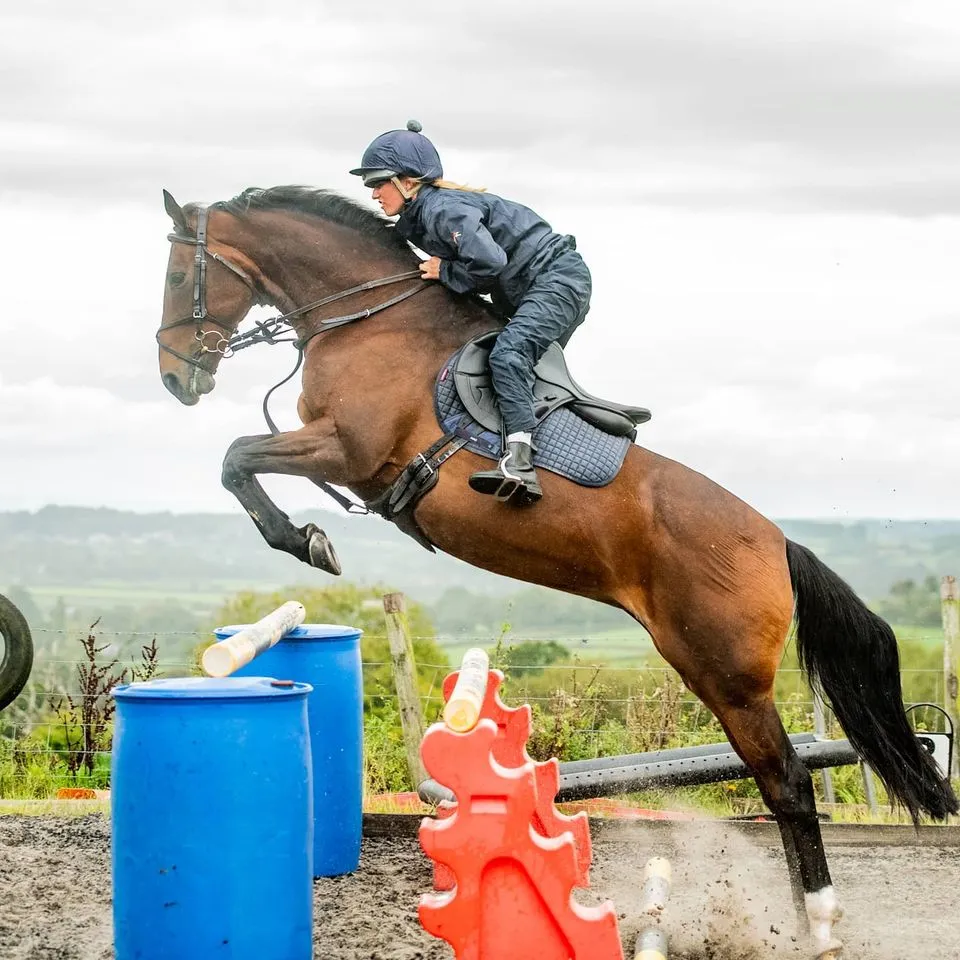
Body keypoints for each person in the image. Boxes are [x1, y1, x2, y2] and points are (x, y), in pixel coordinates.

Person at [350, 120, 592, 505]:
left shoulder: (442, 209)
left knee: (509, 356)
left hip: (557, 281)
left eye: (379, 182)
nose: (374, 193)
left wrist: (444, 271)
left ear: (408, 182)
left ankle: (521, 463)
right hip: (527, 286)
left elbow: (490, 261)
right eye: (371, 186)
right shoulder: (418, 216)